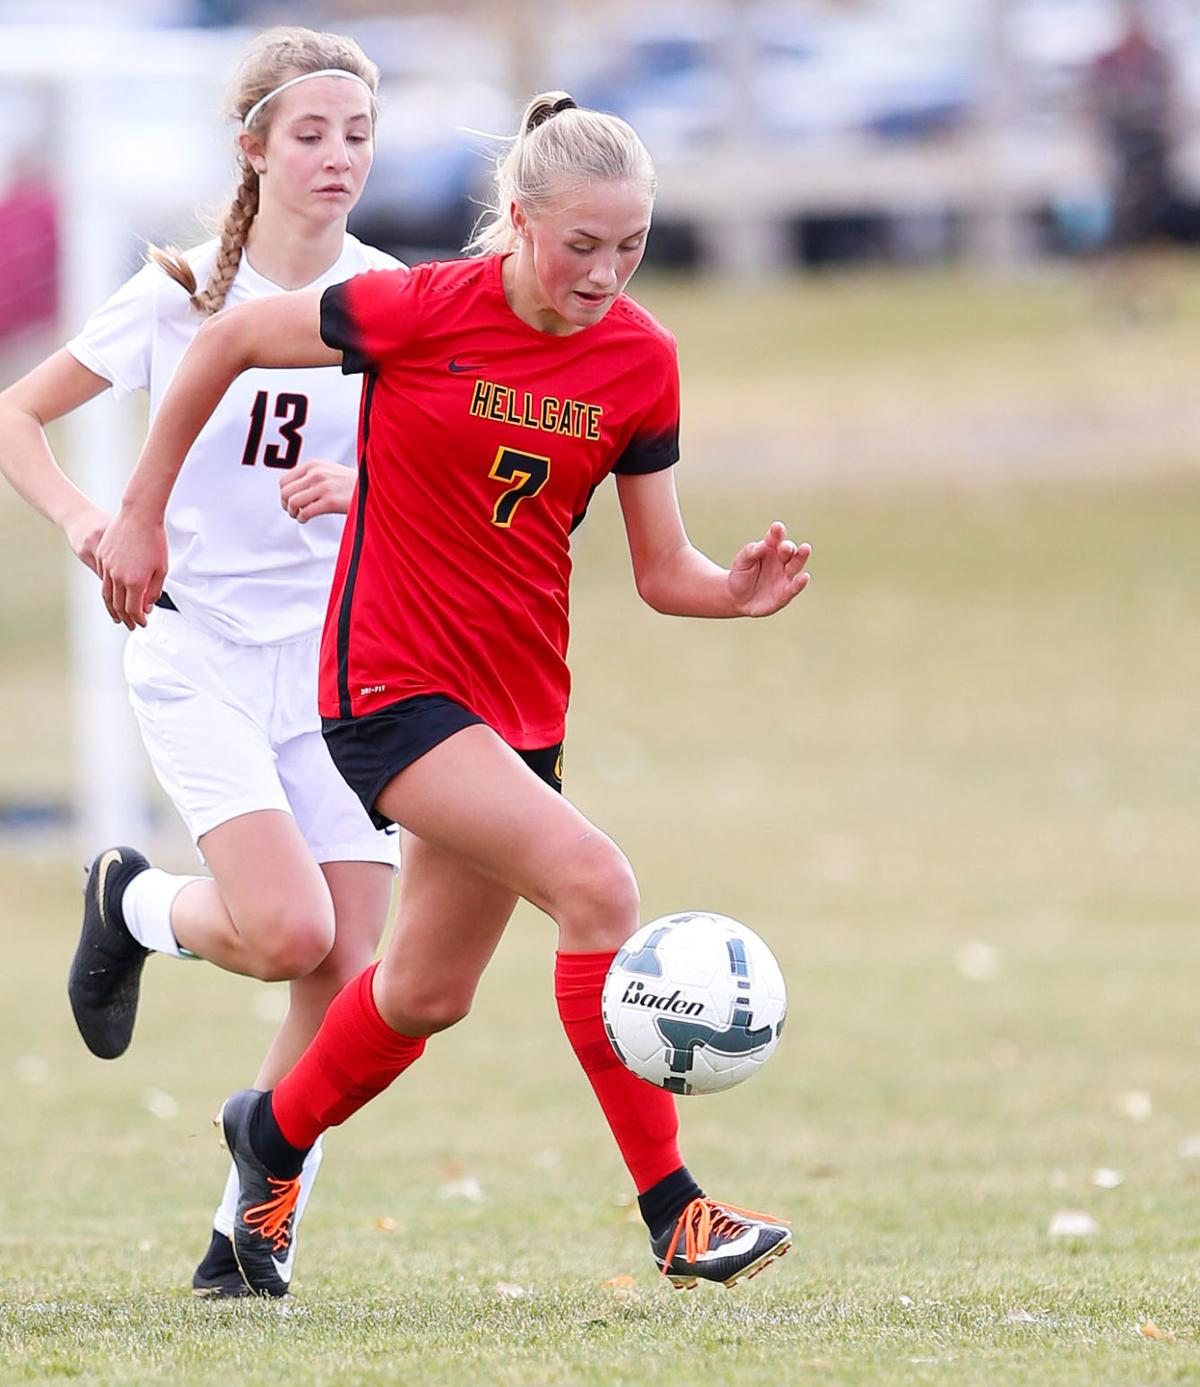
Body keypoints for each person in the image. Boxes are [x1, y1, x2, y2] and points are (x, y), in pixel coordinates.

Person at [97, 90, 812, 1298]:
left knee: (421, 998)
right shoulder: (418, 309)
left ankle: (266, 1141)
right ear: (522, 224)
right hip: (388, 688)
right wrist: (140, 509)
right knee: (599, 885)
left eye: (629, 247)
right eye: (582, 244)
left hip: (519, 714)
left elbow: (658, 570)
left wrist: (731, 593)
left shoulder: (642, 359)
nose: (605, 272)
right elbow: (222, 340)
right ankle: (674, 1211)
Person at [0, 27, 402, 1299]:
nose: (338, 158)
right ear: (253, 150)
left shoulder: (395, 297)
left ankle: (251, 1237)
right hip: (199, 651)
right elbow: (15, 414)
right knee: (288, 933)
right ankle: (129, 903)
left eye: (357, 135)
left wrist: (365, 484)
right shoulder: (181, 294)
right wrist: (89, 520)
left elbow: (441, 468)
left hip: (341, 662)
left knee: (357, 979)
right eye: (311, 134)